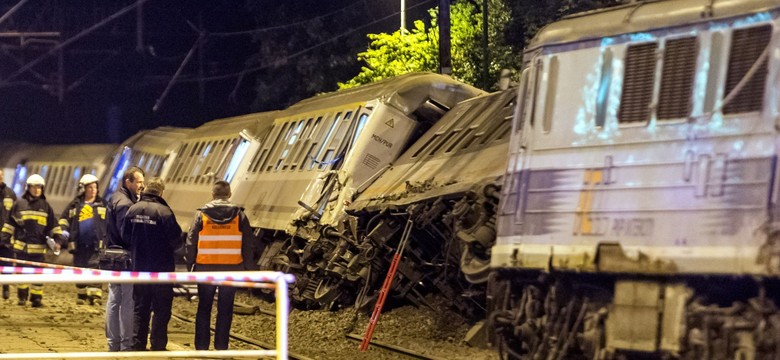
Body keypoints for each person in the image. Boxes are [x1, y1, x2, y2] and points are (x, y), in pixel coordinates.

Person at [186, 180, 256, 350]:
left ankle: (201, 347)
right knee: (225, 308)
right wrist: (248, 267)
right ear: (229, 194)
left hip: (205, 267)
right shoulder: (239, 215)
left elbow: (191, 241)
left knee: (204, 307)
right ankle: (221, 347)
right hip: (231, 268)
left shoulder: (201, 214)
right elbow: (248, 243)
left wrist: (190, 264)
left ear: (213, 194)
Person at [122, 177, 182, 351]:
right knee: (161, 309)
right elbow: (176, 242)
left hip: (139, 268)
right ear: (161, 192)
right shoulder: (165, 212)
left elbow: (125, 237)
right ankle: (158, 344)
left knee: (140, 308)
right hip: (162, 270)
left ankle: (137, 344)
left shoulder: (132, 210)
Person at [0, 174, 66, 307]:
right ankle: (22, 297)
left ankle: (36, 299)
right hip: (21, 248)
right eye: (34, 187)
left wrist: (58, 241)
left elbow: (53, 226)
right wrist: (5, 240)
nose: (37, 190)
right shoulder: (19, 204)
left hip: (38, 249)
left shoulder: (46, 206)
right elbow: (9, 224)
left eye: (39, 187)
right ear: (28, 188)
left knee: (38, 274)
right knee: (21, 274)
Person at [105, 166, 144, 352]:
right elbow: (125, 234)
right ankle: (125, 345)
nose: (141, 186)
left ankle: (113, 343)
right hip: (124, 258)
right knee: (126, 301)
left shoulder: (115, 198)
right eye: (139, 182)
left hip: (113, 255)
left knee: (114, 299)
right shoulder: (125, 204)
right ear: (128, 181)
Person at [59, 174, 108, 305]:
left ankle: (95, 296)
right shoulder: (75, 205)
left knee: (96, 267)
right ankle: (81, 295)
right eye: (90, 188)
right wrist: (63, 232)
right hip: (78, 245)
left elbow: (110, 223)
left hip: (97, 244)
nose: (93, 190)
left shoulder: (103, 204)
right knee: (79, 268)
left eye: (95, 187)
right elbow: (64, 219)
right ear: (83, 189)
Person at [0, 169, 17, 300]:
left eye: (0, 176)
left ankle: (5, 286)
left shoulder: (10, 194)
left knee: (7, 263)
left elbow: (16, 213)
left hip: (6, 235)